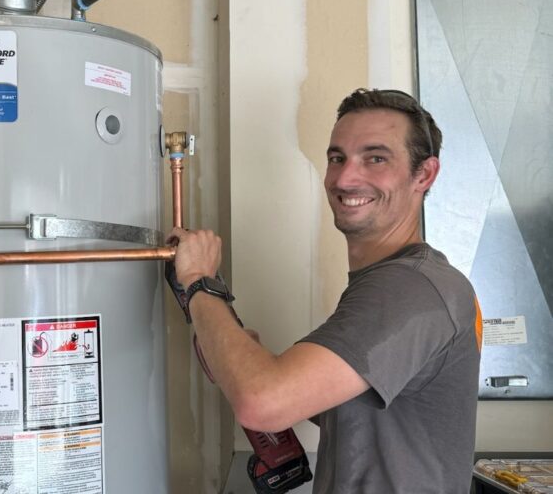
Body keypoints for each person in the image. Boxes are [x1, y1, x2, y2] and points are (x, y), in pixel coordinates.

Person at [169, 88, 482, 493]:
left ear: (424, 175)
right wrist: (244, 360)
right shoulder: (394, 284)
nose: (346, 177)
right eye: (338, 158)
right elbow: (333, 404)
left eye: (376, 158)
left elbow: (263, 402)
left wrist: (199, 280)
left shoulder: (411, 288)